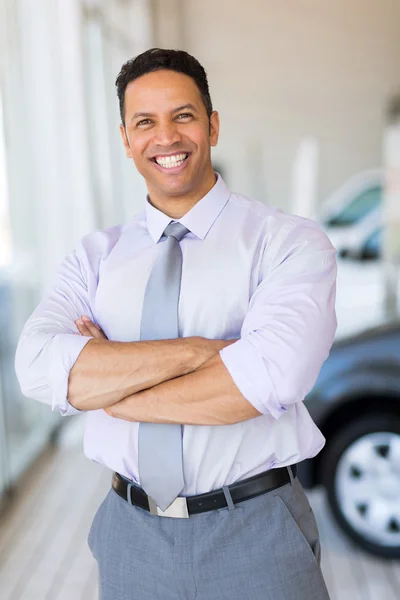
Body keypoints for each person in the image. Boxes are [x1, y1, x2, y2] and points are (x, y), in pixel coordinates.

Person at [15, 48, 337, 600]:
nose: (166, 137)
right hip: (130, 532)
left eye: (183, 115)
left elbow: (268, 380)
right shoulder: (96, 256)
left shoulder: (288, 242)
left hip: (255, 528)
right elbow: (39, 370)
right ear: (125, 138)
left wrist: (110, 389)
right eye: (145, 122)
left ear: (211, 125)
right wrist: (203, 352)